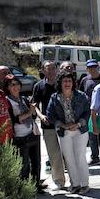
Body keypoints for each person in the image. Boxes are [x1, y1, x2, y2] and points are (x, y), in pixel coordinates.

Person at [46, 72, 91, 194]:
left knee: (80, 157)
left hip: (80, 130)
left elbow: (87, 112)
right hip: (64, 132)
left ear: (73, 83)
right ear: (60, 83)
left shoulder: (80, 96)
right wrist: (62, 125)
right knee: (69, 159)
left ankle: (85, 184)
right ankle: (75, 184)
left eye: (69, 81)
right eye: (65, 81)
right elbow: (50, 115)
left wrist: (78, 124)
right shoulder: (55, 97)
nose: (67, 83)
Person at [32, 61, 66, 189]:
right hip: (48, 125)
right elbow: (34, 105)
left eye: (53, 68)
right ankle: (59, 181)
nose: (51, 70)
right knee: (54, 154)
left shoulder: (62, 83)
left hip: (65, 124)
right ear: (43, 71)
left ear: (57, 70)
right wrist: (40, 116)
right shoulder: (38, 86)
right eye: (48, 68)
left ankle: (75, 180)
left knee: (68, 153)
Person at [3, 75, 42, 188]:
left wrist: (33, 111)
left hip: (32, 133)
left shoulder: (24, 98)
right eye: (12, 85)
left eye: (17, 84)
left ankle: (36, 186)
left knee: (36, 163)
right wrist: (29, 112)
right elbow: (14, 120)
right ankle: (24, 189)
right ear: (8, 87)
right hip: (20, 138)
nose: (16, 87)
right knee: (24, 165)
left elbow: (33, 116)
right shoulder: (7, 101)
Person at [80, 59, 100, 165]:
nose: (92, 69)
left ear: (98, 68)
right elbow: (80, 94)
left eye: (94, 67)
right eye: (90, 68)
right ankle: (95, 156)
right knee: (92, 136)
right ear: (87, 69)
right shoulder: (84, 80)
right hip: (89, 111)